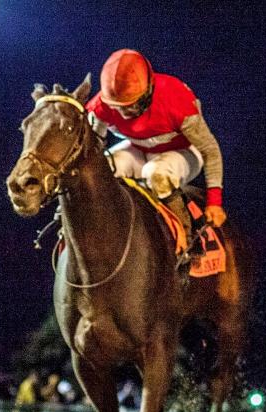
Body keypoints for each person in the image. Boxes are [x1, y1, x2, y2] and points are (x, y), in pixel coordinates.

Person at [86, 49, 226, 263]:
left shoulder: (176, 98)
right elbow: (92, 152)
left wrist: (214, 201)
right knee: (101, 168)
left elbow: (209, 149)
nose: (124, 114)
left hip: (182, 152)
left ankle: (187, 241)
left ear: (149, 90)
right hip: (137, 150)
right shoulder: (99, 107)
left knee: (156, 173)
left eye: (132, 105)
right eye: (117, 107)